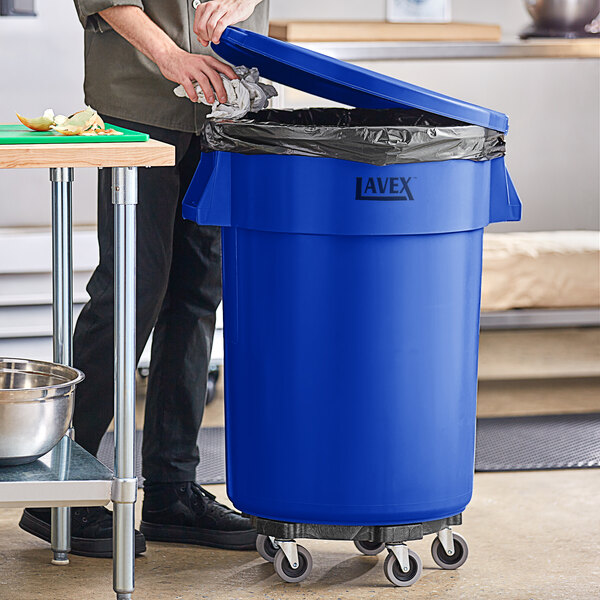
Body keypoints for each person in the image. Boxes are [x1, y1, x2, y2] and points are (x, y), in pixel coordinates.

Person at [20, 0, 270, 558]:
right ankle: (63, 483)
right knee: (133, 288)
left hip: (225, 98)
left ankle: (170, 489)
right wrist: (170, 56)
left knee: (199, 290)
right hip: (140, 92)